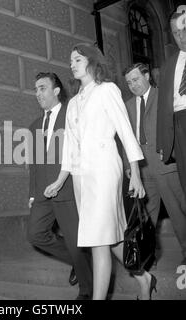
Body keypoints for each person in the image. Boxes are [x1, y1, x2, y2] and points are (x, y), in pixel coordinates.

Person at [44, 43, 156, 300]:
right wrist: (61, 180)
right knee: (105, 235)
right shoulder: (72, 103)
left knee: (98, 241)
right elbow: (70, 148)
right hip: (81, 177)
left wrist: (136, 172)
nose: (72, 64)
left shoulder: (107, 90)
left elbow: (126, 132)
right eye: (71, 60)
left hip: (106, 169)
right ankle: (143, 277)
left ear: (92, 61)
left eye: (78, 59)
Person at [27, 72, 93, 300]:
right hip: (43, 194)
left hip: (67, 189)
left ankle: (86, 292)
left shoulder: (71, 114)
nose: (38, 94)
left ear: (56, 91)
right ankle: (80, 261)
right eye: (36, 89)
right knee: (35, 234)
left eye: (42, 88)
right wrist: (33, 195)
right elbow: (34, 165)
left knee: (76, 243)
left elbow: (82, 151)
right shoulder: (34, 125)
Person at [124, 63, 186, 265]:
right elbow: (125, 139)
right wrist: (128, 167)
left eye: (136, 79)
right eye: (129, 82)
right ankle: (146, 257)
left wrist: (171, 151)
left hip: (166, 165)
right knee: (146, 217)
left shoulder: (164, 97)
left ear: (147, 76)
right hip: (142, 170)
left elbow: (177, 127)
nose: (133, 85)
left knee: (179, 213)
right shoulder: (127, 106)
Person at [157, 6, 186, 201]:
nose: (181, 37)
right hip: (179, 124)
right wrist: (162, 142)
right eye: (176, 33)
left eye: (184, 31)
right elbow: (163, 106)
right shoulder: (169, 64)